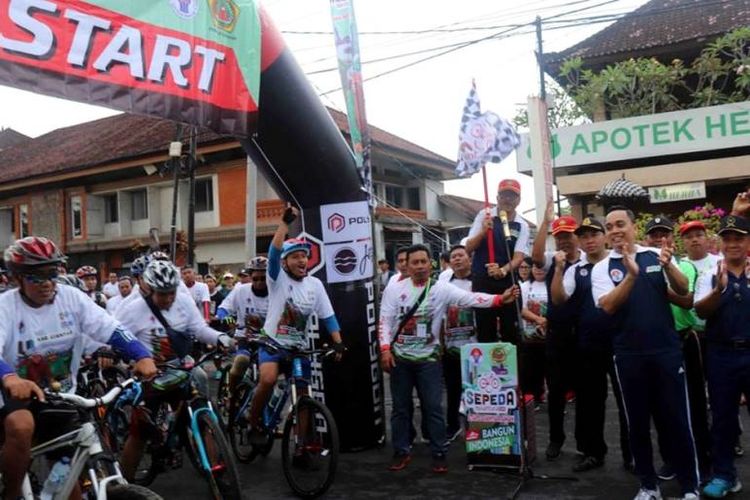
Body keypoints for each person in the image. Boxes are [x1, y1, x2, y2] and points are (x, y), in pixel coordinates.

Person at [0, 237, 157, 498]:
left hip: (60, 400)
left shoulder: (71, 298)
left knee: (64, 484)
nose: (48, 282)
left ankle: (49, 493)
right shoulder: (5, 306)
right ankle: (12, 493)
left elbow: (110, 328)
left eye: (52, 273)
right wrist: (10, 377)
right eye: (37, 276)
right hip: (13, 399)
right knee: (21, 425)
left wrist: (140, 354)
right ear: (17, 278)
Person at [379, 243, 519, 474]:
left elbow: (470, 298)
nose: (420, 266)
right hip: (400, 360)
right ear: (408, 266)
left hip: (429, 360)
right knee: (400, 409)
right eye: (415, 262)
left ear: (431, 264)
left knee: (433, 407)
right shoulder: (394, 289)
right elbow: (385, 320)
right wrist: (385, 350)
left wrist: (498, 299)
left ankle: (439, 452)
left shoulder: (441, 289)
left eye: (424, 261)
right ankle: (401, 450)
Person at [592, 206, 698, 500]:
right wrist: (630, 276)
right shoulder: (602, 267)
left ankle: (690, 486)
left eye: (620, 224)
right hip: (628, 356)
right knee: (637, 423)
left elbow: (683, 287)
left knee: (677, 420)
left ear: (633, 226)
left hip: (666, 352)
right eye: (610, 226)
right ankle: (649, 486)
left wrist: (668, 266)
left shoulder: (655, 255)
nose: (615, 230)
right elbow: (609, 306)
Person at [115, 259, 230, 481]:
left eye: (171, 293)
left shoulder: (184, 303)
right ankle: (123, 486)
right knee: (140, 432)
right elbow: (116, 337)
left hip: (182, 369)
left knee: (201, 409)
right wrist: (130, 359)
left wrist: (221, 338)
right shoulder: (132, 310)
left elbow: (199, 329)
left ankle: (215, 469)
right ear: (149, 290)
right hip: (151, 375)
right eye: (162, 294)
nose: (168, 299)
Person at [247, 205, 345, 446]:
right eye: (295, 256)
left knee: (303, 395)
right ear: (286, 262)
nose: (301, 260)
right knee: (268, 379)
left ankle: (302, 443)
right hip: (272, 343)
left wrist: (339, 343)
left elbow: (328, 316)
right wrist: (284, 224)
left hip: (297, 347)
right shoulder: (276, 279)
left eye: (304, 256)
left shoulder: (315, 285)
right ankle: (254, 420)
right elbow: (273, 253)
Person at [550, 216, 631, 473]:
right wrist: (559, 270)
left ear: (604, 236)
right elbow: (560, 299)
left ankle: (632, 454)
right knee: (589, 403)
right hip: (589, 346)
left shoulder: (620, 263)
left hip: (621, 343)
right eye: (584, 236)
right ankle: (593, 452)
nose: (589, 240)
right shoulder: (576, 269)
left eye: (594, 234)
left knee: (626, 401)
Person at [644, 216, 711, 482]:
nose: (659, 238)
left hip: (684, 340)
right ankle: (670, 459)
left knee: (694, 405)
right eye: (654, 234)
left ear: (672, 238)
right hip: (654, 344)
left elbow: (687, 300)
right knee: (661, 408)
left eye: (664, 233)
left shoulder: (685, 265)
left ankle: (703, 461)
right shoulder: (640, 266)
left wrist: (662, 285)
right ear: (647, 239)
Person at [695, 214, 750, 498]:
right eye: (727, 239)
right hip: (721, 355)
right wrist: (720, 289)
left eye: (738, 238)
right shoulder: (710, 274)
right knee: (723, 419)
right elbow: (701, 312)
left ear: (748, 242)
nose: (732, 244)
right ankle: (725, 475)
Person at [531, 206, 583, 461]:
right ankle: (556, 439)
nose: (563, 239)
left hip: (584, 335)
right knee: (556, 391)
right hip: (557, 335)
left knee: (585, 392)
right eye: (559, 235)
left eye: (568, 234)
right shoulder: (553, 259)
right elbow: (536, 255)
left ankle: (585, 442)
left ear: (577, 235)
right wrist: (545, 222)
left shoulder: (587, 259)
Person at [465, 179, 529, 343]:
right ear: (497, 197)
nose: (508, 199)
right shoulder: (484, 215)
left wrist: (503, 270)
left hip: (508, 282)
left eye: (512, 196)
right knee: (486, 333)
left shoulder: (522, 225)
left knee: (511, 334)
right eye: (504, 195)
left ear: (519, 200)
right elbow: (468, 248)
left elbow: (519, 257)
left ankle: (514, 367)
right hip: (483, 282)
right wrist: (483, 232)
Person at [217, 256, 270, 396]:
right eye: (255, 278)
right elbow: (223, 309)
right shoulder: (240, 290)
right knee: (241, 361)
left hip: (268, 339)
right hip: (245, 337)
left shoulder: (277, 292)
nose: (259, 282)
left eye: (263, 278)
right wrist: (227, 319)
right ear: (251, 277)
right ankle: (231, 394)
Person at [440, 245, 476, 442]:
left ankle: (475, 426)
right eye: (453, 257)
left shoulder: (478, 281)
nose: (457, 259)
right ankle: (452, 426)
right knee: (453, 390)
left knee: (474, 389)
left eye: (461, 255)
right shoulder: (445, 282)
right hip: (451, 347)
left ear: (469, 259)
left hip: (474, 348)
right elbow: (438, 312)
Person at [520, 262, 548, 410]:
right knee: (530, 370)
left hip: (550, 338)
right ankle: (532, 399)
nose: (539, 270)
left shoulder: (552, 285)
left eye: (542, 267)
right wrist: (538, 319)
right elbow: (521, 309)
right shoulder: (525, 287)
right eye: (536, 267)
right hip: (530, 337)